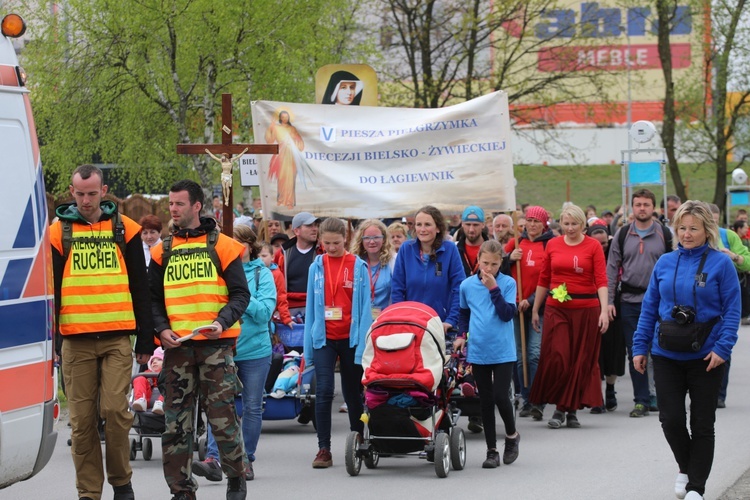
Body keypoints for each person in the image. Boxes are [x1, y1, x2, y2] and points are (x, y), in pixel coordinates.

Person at [51, 164, 154, 500]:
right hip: (75, 341)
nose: (85, 200)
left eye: (92, 193)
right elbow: (51, 291)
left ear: (104, 191)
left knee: (114, 412)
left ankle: (121, 483)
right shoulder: (57, 234)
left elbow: (141, 286)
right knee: (81, 424)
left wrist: (146, 338)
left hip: (115, 339)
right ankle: (89, 493)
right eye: (79, 194)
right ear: (71, 192)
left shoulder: (127, 229)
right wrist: (54, 342)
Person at [149, 179, 250, 500]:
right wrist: (161, 329)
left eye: (179, 204)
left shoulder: (224, 246)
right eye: (170, 204)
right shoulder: (160, 250)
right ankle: (181, 491)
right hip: (177, 349)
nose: (173, 209)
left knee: (223, 421)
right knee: (175, 426)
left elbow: (240, 295)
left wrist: (222, 322)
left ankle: (236, 478)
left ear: (196, 206)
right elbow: (151, 300)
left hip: (215, 349)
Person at [632, 200, 740, 500]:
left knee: (702, 424)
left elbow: (732, 311)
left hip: (707, 357)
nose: (687, 234)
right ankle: (686, 466)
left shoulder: (722, 264)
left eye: (694, 228)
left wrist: (723, 348)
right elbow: (650, 308)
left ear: (708, 230)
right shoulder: (665, 262)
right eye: (682, 228)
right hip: (666, 354)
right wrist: (639, 347)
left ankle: (696, 487)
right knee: (671, 420)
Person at [192, 224, 277, 483]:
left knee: (251, 407)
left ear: (250, 246)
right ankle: (214, 459)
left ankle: (245, 459)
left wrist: (241, 293)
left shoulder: (263, 274)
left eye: (237, 243)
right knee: (219, 404)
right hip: (223, 348)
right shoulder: (218, 270)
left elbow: (264, 313)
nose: (231, 248)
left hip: (255, 351)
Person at [530, 203, 609, 429]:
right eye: (566, 223)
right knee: (559, 356)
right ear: (560, 224)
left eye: (575, 223)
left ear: (583, 224)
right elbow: (544, 278)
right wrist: (536, 308)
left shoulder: (593, 246)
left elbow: (602, 280)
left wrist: (604, 310)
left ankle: (566, 410)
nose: (570, 228)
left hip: (587, 308)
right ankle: (563, 406)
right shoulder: (553, 244)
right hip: (557, 306)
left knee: (580, 360)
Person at [303, 218, 372, 468]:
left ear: (347, 239)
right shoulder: (316, 266)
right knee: (323, 392)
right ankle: (324, 448)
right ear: (320, 240)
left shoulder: (358, 266)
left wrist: (363, 345)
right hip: (325, 337)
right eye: (326, 243)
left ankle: (358, 440)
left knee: (353, 393)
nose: (331, 248)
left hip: (350, 337)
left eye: (337, 243)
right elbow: (311, 306)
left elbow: (365, 309)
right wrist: (308, 344)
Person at [606, 189, 673, 418]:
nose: (642, 208)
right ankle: (641, 400)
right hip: (630, 302)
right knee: (636, 350)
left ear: (653, 207)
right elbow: (612, 269)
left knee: (661, 350)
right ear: (632, 207)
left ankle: (661, 396)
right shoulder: (623, 235)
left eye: (646, 204)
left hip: (660, 303)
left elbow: (675, 266)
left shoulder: (664, 234)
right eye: (638, 204)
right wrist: (608, 302)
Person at [454, 240, 519, 469]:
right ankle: (491, 450)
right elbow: (463, 313)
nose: (488, 268)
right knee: (486, 401)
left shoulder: (508, 283)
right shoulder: (467, 285)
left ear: (501, 262)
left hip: (503, 351)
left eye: (493, 263)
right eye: (484, 263)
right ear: (478, 260)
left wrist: (493, 288)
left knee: (502, 396)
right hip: (479, 349)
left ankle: (511, 436)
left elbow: (506, 313)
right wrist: (461, 335)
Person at [504, 205, 555, 419]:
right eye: (529, 220)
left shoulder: (550, 245)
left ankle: (538, 399)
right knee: (518, 356)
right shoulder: (515, 242)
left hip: (537, 308)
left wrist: (532, 300)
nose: (532, 225)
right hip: (515, 306)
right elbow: (495, 269)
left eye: (536, 221)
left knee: (534, 353)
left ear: (544, 224)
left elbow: (552, 279)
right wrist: (509, 259)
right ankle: (525, 399)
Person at [392, 205, 466, 333]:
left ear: (438, 228)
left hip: (441, 324)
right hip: (411, 324)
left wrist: (451, 320)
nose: (422, 229)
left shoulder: (450, 249)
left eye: (427, 224)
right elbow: (397, 288)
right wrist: (401, 318)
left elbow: (459, 287)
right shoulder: (406, 249)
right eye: (418, 224)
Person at [707, 203, 750, 409]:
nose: (712, 228)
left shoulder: (729, 236)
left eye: (715, 223)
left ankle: (719, 394)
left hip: (727, 295)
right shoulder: (693, 237)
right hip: (703, 298)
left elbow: (747, 261)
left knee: (723, 342)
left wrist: (732, 256)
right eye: (708, 223)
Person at [274, 211, 323, 315]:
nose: (315, 229)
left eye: (316, 225)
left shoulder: (322, 252)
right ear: (296, 231)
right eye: (309, 226)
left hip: (316, 306)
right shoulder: (283, 254)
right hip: (288, 309)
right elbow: (276, 284)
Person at [350, 219, 394, 319]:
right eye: (367, 238)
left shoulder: (393, 261)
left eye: (376, 237)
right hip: (361, 319)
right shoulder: (355, 262)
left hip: (386, 318)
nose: (372, 241)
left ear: (384, 239)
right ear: (361, 240)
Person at [265, 110, 310, 208]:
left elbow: (300, 143)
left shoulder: (292, 129)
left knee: (290, 178)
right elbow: (270, 141)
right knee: (281, 178)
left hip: (291, 156)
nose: (285, 118)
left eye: (286, 117)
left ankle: (289, 201)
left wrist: (294, 142)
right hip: (281, 155)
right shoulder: (276, 128)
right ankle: (281, 200)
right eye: (283, 117)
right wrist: (270, 128)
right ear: (280, 118)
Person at [455, 206, 490, 276]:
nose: (471, 229)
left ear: (483, 225)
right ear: (462, 224)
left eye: (475, 225)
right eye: (468, 224)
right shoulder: (454, 250)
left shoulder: (494, 249)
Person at [132, 348, 165, 415]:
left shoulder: (168, 373)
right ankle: (140, 400)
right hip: (148, 398)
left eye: (159, 360)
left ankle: (161, 403)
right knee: (139, 378)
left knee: (170, 381)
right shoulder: (148, 374)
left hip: (164, 400)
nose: (154, 362)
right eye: (152, 361)